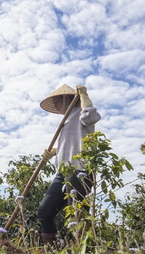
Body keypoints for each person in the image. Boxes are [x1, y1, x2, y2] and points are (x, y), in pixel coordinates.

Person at [37, 84, 101, 245]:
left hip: (79, 170)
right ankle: (51, 253)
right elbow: (73, 145)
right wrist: (54, 152)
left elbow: (91, 117)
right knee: (44, 212)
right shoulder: (66, 120)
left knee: (77, 215)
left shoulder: (80, 113)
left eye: (57, 102)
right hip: (63, 172)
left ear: (66, 99)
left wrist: (84, 96)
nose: (56, 106)